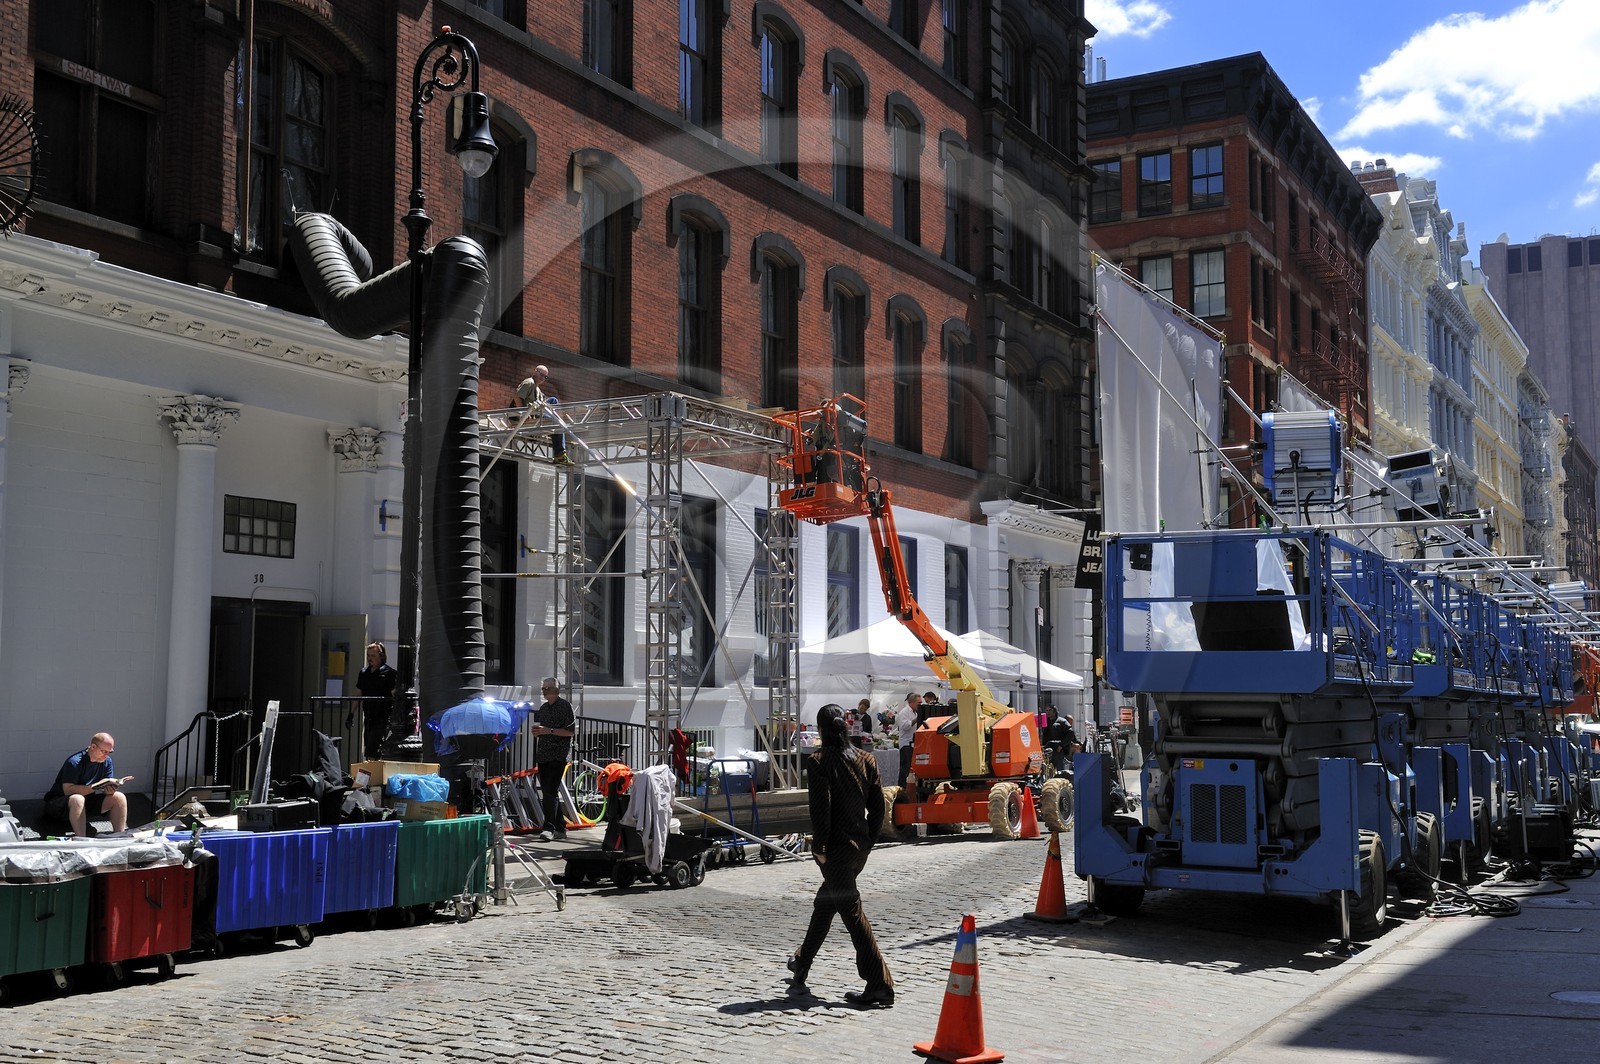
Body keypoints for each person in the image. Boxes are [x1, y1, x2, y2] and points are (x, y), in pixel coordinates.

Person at [786, 704, 894, 1008]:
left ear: (821, 730)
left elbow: (822, 809)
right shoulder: (866, 759)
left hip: (835, 850)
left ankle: (880, 984)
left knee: (853, 915)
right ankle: (801, 963)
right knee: (825, 904)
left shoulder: (819, 761)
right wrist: (870, 839)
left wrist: (819, 849)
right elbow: (879, 807)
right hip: (859, 847)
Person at [44, 732, 128, 836]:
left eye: (109, 752)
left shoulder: (107, 762)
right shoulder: (75, 762)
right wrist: (93, 787)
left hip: (85, 804)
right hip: (60, 806)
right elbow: (68, 790)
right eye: (104, 751)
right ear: (93, 747)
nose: (106, 755)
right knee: (77, 798)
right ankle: (82, 839)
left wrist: (109, 790)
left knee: (119, 797)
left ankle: (120, 835)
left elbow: (106, 785)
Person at [533, 677, 576, 841]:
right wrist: (538, 732)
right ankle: (560, 828)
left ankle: (548, 827)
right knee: (549, 792)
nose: (544, 691)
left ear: (556, 690)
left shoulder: (565, 707)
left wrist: (548, 731)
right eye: (543, 688)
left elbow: (570, 731)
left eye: (547, 688)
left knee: (550, 791)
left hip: (558, 755)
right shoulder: (543, 708)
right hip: (543, 754)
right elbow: (541, 729)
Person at [516, 364, 571, 465]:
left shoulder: (537, 389)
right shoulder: (529, 382)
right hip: (530, 415)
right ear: (535, 372)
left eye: (545, 377)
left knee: (553, 400)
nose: (542, 378)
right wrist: (523, 414)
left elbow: (542, 403)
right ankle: (559, 454)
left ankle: (558, 421)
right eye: (541, 375)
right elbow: (517, 397)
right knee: (555, 423)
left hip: (537, 412)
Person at [353, 641, 398, 760]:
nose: (370, 659)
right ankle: (371, 774)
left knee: (373, 748)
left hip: (383, 717)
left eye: (373, 656)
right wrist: (351, 714)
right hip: (368, 716)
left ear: (381, 656)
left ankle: (372, 775)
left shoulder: (389, 673)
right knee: (368, 746)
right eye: (368, 655)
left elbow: (395, 695)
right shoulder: (364, 673)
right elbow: (358, 693)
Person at [1042, 705, 1076, 776]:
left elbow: (1070, 734)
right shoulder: (1046, 722)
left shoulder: (1062, 721)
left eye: (1050, 710)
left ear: (1055, 712)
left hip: (1058, 750)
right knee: (1047, 771)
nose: (1048, 712)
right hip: (1047, 750)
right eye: (1047, 710)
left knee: (1059, 771)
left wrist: (1062, 745)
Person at [895, 692, 920, 787]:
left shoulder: (914, 712)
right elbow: (905, 726)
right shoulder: (904, 712)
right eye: (918, 703)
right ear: (912, 702)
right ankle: (902, 786)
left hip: (913, 743)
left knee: (910, 767)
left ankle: (909, 785)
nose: (919, 705)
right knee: (905, 767)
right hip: (906, 744)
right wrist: (916, 719)